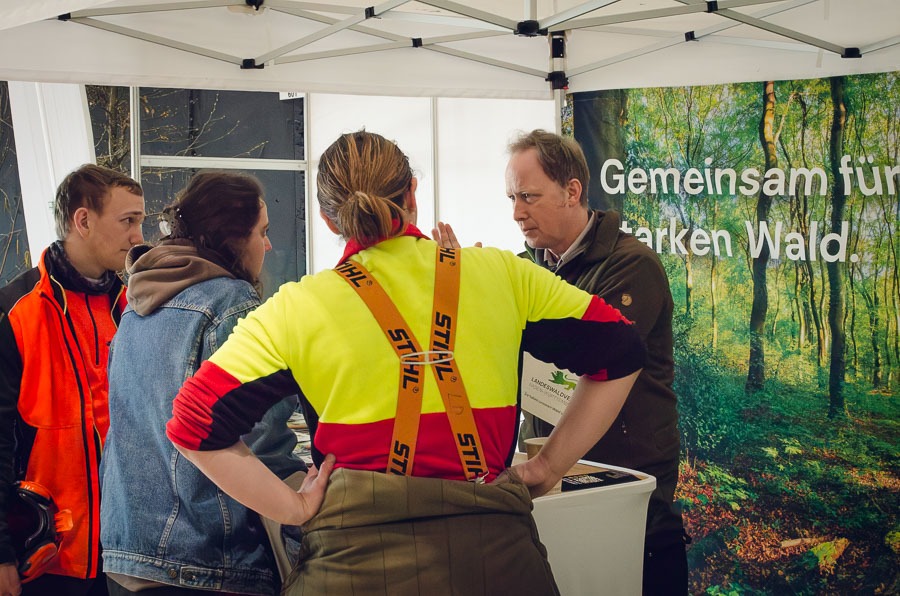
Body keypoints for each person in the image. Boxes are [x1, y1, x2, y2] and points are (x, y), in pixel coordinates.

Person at [164, 130, 645, 595]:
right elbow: (622, 351)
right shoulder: (503, 274)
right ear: (413, 192)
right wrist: (545, 467)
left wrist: (292, 507)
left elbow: (191, 425)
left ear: (329, 220)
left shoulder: (296, 307)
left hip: (353, 567)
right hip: (498, 561)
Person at [446, 128, 688, 594]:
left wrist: (495, 300)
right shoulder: (526, 267)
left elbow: (590, 355)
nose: (516, 212)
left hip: (625, 490)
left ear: (572, 191)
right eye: (512, 197)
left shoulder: (631, 265)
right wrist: (472, 292)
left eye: (529, 197)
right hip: (550, 485)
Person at [100, 171, 309, 596]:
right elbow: (263, 441)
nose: (267, 246)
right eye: (262, 232)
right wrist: (304, 522)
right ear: (233, 237)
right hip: (209, 561)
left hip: (127, 556)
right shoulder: (230, 303)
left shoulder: (137, 303)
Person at [0, 164, 145, 596]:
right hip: (45, 559)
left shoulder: (134, 308)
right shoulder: (17, 312)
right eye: (128, 221)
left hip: (128, 553)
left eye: (139, 220)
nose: (138, 236)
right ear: (83, 221)